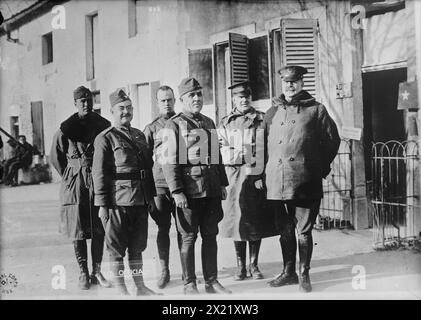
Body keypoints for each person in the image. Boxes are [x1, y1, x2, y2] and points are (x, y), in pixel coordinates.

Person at [263, 66, 340, 292]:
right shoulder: (272, 112)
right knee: (285, 229)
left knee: (303, 231)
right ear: (281, 84)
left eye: (294, 81)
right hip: (277, 182)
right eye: (286, 81)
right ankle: (289, 273)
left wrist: (319, 167)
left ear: (302, 83)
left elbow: (332, 140)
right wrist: (262, 174)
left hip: (305, 181)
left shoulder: (316, 110)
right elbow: (261, 145)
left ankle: (304, 274)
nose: (290, 85)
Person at [162, 77, 231, 295]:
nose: (196, 98)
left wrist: (221, 182)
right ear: (181, 99)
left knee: (210, 235)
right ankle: (189, 284)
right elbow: (169, 160)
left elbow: (216, 155)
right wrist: (176, 191)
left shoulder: (209, 122)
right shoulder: (173, 124)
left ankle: (212, 281)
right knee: (189, 237)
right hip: (189, 192)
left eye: (199, 94)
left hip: (210, 189)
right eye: (191, 95)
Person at [92, 89, 159, 296]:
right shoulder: (105, 138)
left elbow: (147, 169)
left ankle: (139, 286)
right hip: (117, 201)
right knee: (116, 248)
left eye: (129, 108)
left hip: (140, 199)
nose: (126, 112)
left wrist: (150, 197)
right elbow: (99, 173)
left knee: (138, 246)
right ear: (112, 111)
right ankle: (122, 289)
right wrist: (102, 205)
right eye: (121, 108)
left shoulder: (139, 135)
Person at [50, 86, 112, 290]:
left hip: (97, 181)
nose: (86, 104)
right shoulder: (65, 129)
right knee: (78, 230)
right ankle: (83, 272)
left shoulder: (103, 126)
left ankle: (97, 271)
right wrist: (70, 175)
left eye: (89, 100)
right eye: (82, 101)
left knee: (98, 229)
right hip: (75, 184)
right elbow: (56, 157)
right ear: (75, 103)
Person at [218, 81, 278, 281]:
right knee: (237, 221)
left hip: (255, 177)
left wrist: (261, 175)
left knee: (255, 220)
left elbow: (268, 149)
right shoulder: (226, 122)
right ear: (233, 99)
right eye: (239, 97)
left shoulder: (261, 120)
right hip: (234, 179)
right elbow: (221, 150)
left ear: (251, 98)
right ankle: (240, 267)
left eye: (246, 96)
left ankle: (254, 265)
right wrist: (242, 154)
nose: (243, 100)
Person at [144, 85, 182, 289]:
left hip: (181, 186)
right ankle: (164, 270)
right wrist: (148, 193)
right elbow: (144, 160)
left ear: (175, 100)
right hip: (159, 185)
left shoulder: (182, 123)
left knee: (184, 229)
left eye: (169, 99)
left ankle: (187, 269)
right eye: (162, 100)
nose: (166, 103)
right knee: (163, 228)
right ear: (157, 103)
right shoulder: (151, 128)